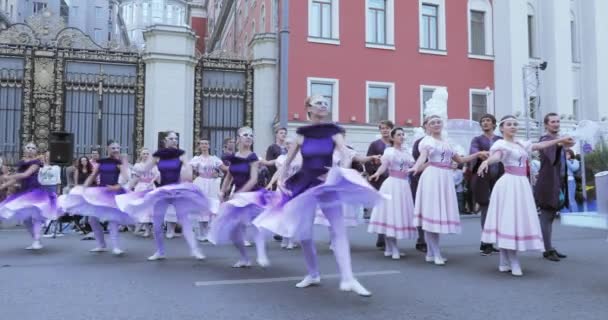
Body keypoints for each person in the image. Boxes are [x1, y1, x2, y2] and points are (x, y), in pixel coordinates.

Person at [254, 95, 382, 296]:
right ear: (309, 108)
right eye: (319, 103)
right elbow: (287, 162)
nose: (323, 105)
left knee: (338, 230)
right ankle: (313, 274)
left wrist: (339, 173)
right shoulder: (301, 135)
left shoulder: (333, 131)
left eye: (325, 103)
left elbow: (346, 153)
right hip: (305, 184)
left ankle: (348, 278)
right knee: (305, 234)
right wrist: (280, 181)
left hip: (326, 183)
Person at [478, 115, 574, 276]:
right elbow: (496, 156)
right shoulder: (501, 144)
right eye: (509, 124)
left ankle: (503, 260)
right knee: (508, 221)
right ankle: (513, 261)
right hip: (509, 185)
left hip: (521, 184)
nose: (513, 127)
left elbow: (541, 144)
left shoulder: (521, 143)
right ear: (502, 128)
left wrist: (561, 140)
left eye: (515, 124)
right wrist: (487, 162)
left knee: (514, 221)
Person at [116, 131, 207, 261]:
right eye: (171, 138)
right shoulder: (158, 156)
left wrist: (188, 174)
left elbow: (188, 168)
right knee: (157, 224)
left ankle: (195, 250)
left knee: (184, 221)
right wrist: (126, 164)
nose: (174, 141)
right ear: (165, 141)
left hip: (177, 191)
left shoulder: (181, 154)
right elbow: (143, 170)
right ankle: (160, 251)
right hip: (163, 192)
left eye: (176, 139)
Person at [410, 115, 487, 265]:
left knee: (437, 216)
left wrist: (477, 154)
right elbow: (423, 157)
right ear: (427, 126)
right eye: (433, 123)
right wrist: (415, 166)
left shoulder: (447, 143)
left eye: (438, 122)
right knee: (432, 214)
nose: (436, 124)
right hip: (433, 177)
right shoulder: (427, 141)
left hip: (444, 178)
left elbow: (461, 160)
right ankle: (435, 252)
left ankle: (432, 253)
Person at [208, 127, 272, 267]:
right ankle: (244, 258)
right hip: (238, 197)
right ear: (238, 138)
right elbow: (229, 176)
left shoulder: (253, 157)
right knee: (233, 230)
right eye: (245, 135)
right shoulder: (234, 157)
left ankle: (261, 254)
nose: (248, 137)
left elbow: (254, 179)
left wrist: (240, 192)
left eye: (251, 135)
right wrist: (222, 191)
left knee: (257, 225)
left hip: (253, 195)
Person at [59, 141, 132, 255]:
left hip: (114, 193)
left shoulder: (119, 162)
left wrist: (116, 186)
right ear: (107, 148)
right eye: (113, 148)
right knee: (92, 220)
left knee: (113, 220)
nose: (116, 150)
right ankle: (101, 245)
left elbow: (126, 178)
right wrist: (83, 188)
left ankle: (116, 246)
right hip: (101, 192)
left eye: (118, 147)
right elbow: (92, 176)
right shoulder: (101, 162)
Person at [368, 127, 417, 260]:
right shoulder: (389, 151)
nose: (401, 137)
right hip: (392, 184)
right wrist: (377, 174)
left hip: (403, 185)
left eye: (403, 134)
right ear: (393, 138)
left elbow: (412, 166)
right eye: (399, 135)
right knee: (391, 214)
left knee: (398, 215)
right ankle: (393, 247)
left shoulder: (406, 152)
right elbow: (383, 166)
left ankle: (390, 248)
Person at [0, 142, 60, 250]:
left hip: (35, 192)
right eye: (28, 147)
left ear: (36, 151)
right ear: (24, 149)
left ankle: (36, 240)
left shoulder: (36, 162)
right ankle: (36, 239)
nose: (30, 149)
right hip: (24, 192)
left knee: (36, 217)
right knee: (26, 219)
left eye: (33, 148)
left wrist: (7, 177)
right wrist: (3, 185)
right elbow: (17, 178)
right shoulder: (21, 162)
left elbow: (26, 174)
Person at [534, 113, 570, 262]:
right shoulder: (545, 140)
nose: (556, 124)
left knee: (550, 217)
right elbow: (551, 155)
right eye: (552, 122)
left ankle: (548, 247)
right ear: (546, 125)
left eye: (557, 121)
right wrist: (560, 144)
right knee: (546, 215)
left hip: (556, 182)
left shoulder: (556, 140)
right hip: (547, 183)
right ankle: (547, 250)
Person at [469, 114, 503, 255]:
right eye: (483, 121)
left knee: (498, 209)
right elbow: (474, 152)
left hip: (500, 177)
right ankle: (486, 242)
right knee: (486, 208)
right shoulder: (477, 139)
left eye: (488, 121)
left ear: (494, 124)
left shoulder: (500, 140)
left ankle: (494, 240)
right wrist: (480, 154)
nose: (485, 123)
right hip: (483, 178)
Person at [190, 138, 226, 242]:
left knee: (212, 206)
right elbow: (189, 169)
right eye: (202, 144)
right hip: (201, 182)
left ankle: (210, 232)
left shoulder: (215, 159)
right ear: (199, 146)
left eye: (206, 144)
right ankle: (202, 232)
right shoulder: (197, 159)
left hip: (212, 183)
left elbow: (224, 169)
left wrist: (218, 174)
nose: (204, 146)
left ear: (209, 146)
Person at [365, 120, 393, 249]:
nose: (385, 130)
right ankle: (381, 236)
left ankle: (391, 235)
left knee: (392, 209)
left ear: (391, 129)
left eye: (387, 128)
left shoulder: (395, 144)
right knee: (381, 208)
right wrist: (375, 170)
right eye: (382, 128)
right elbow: (368, 162)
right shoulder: (375, 145)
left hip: (394, 180)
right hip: (380, 181)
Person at [128, 148, 160, 238]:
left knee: (150, 208)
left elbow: (157, 175)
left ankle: (149, 228)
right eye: (144, 153)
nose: (145, 155)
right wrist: (131, 188)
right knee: (143, 207)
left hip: (150, 186)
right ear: (141, 155)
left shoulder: (153, 165)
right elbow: (135, 177)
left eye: (147, 153)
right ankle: (146, 228)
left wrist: (152, 181)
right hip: (141, 186)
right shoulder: (137, 165)